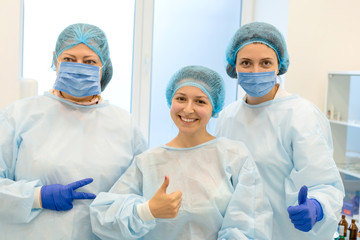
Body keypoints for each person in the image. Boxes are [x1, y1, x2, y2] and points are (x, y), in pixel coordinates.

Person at [89, 65, 273, 240]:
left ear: (214, 107)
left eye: (200, 101)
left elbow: (250, 226)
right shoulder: (148, 162)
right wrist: (147, 211)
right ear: (171, 101)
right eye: (181, 99)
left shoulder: (234, 157)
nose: (188, 109)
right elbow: (103, 217)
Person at [0, 23, 147, 239]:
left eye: (89, 62)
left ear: (103, 67)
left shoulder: (125, 126)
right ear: (55, 61)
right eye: (69, 59)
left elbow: (140, 201)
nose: (79, 67)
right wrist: (36, 197)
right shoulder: (19, 116)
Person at [215, 21, 345, 240]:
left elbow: (325, 183)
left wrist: (316, 206)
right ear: (233, 67)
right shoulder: (227, 117)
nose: (256, 71)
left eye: (265, 63)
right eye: (246, 63)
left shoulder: (301, 115)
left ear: (279, 66)